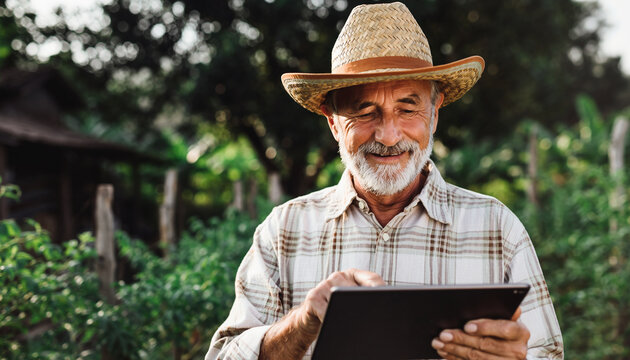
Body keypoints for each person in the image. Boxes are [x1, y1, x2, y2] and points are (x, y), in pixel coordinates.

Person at [206, 2, 563, 359]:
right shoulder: (284, 231)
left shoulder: (497, 229)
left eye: (407, 109)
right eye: (364, 111)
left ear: (434, 115)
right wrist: (303, 321)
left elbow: (547, 353)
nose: (389, 135)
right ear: (333, 122)